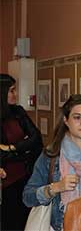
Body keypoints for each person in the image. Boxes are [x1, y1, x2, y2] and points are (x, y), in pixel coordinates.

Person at [23, 94, 81, 231]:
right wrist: (55, 188)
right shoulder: (51, 155)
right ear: (66, 120)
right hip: (61, 225)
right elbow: (27, 197)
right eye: (77, 117)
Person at [0, 73, 43, 230]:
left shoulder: (18, 112)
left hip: (25, 176)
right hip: (5, 182)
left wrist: (13, 148)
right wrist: (23, 149)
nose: (15, 94)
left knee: (24, 222)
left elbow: (36, 139)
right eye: (12, 90)